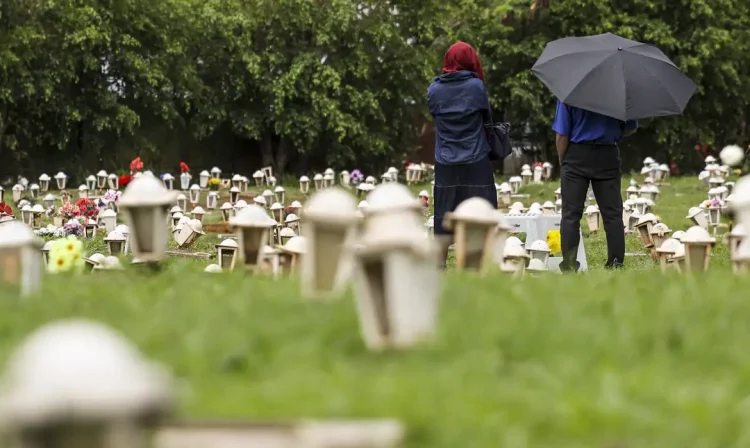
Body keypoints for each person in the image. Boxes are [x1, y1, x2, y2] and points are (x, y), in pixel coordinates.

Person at [427, 42, 498, 268]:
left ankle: (439, 264)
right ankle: (483, 261)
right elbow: (487, 119)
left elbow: (435, 117)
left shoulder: (434, 90)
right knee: (483, 211)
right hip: (476, 158)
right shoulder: (476, 87)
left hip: (446, 160)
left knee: (443, 213)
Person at [552, 100, 638, 271]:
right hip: (607, 153)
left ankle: (569, 266)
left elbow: (562, 134)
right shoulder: (620, 93)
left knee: (571, 215)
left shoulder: (570, 92)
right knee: (612, 214)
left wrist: (563, 160)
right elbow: (630, 127)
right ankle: (615, 263)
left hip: (576, 153)